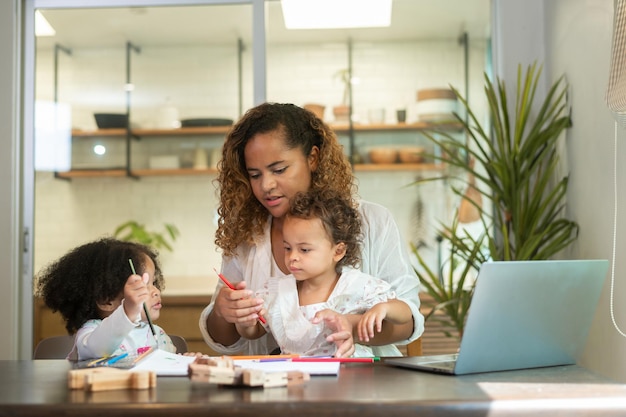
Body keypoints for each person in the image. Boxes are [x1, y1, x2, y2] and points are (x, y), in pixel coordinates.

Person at [199, 102, 424, 357]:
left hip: (366, 385)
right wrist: (224, 312)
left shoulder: (373, 221)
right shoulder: (248, 235)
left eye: (279, 169)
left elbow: (408, 320)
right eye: (255, 175)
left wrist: (351, 326)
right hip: (279, 386)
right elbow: (227, 338)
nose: (267, 185)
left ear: (313, 158)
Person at [235, 189, 413, 357]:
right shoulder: (277, 291)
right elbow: (255, 331)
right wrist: (245, 323)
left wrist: (384, 308)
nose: (292, 257)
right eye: (287, 248)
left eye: (304, 250)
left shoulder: (357, 286)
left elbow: (405, 312)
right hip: (297, 381)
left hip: (351, 380)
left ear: (338, 251)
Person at [35, 237, 177, 360]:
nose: (156, 291)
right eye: (144, 285)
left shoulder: (158, 335)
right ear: (106, 300)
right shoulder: (91, 332)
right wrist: (128, 312)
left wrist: (186, 360)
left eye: (153, 283)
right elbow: (98, 349)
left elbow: (169, 365)